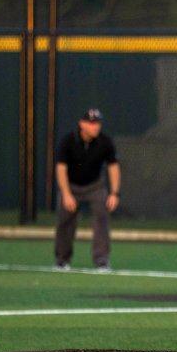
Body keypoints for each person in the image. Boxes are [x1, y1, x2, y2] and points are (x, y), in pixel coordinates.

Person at [54, 108, 121, 271]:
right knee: (64, 221)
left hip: (94, 186)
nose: (95, 126)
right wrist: (66, 194)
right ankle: (62, 260)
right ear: (82, 124)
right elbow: (61, 168)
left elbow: (113, 167)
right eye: (91, 123)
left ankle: (102, 260)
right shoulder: (69, 141)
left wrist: (114, 193)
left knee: (102, 217)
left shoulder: (105, 142)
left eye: (97, 123)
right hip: (71, 187)